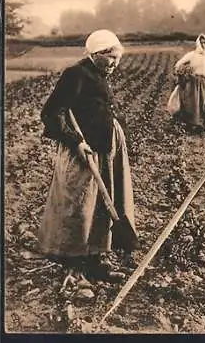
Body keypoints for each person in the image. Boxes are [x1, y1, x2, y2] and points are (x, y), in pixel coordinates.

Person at [38, 29, 137, 285]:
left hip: (104, 149)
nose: (115, 64)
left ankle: (94, 263)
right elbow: (51, 113)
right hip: (83, 153)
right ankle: (75, 268)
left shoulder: (98, 73)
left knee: (101, 207)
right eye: (111, 58)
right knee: (79, 206)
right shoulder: (76, 74)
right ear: (96, 54)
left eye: (118, 58)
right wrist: (76, 141)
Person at [168, 34, 205, 133]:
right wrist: (184, 73)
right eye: (201, 42)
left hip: (203, 84)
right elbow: (178, 65)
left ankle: (199, 126)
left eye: (204, 42)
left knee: (201, 104)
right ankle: (189, 125)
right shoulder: (192, 55)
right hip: (191, 83)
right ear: (198, 43)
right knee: (191, 104)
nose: (203, 44)